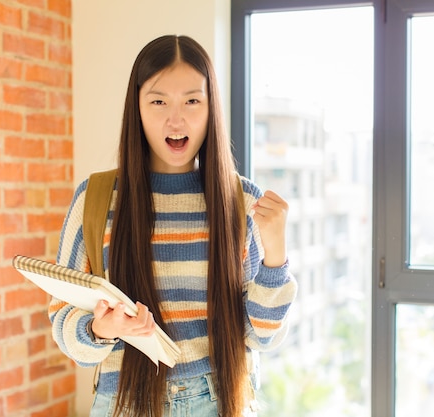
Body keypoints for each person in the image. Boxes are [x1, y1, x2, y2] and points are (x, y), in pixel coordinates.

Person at [50, 34, 297, 417]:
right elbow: (63, 320)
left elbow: (262, 336)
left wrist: (276, 258)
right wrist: (103, 329)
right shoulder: (96, 198)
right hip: (125, 401)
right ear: (137, 107)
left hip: (219, 400)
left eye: (192, 101)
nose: (176, 119)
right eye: (158, 101)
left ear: (211, 106)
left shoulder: (242, 202)